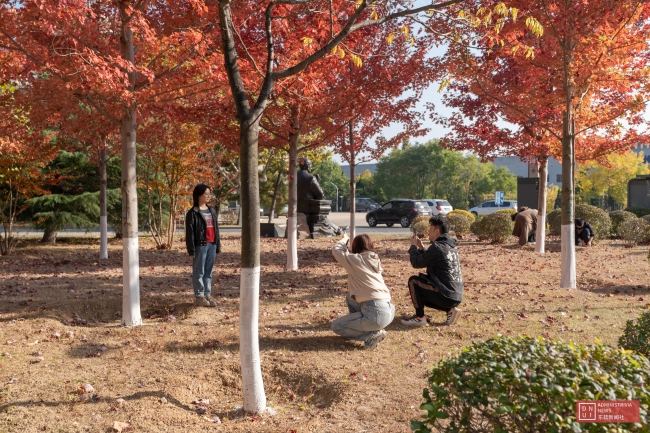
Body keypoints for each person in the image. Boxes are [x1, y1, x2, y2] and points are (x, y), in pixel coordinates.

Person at [331, 232, 395, 349]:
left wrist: (344, 239)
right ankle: (363, 326)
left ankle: (370, 335)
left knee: (336, 326)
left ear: (355, 247)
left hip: (376, 313)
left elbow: (337, 251)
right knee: (350, 297)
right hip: (389, 310)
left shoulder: (357, 260)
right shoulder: (372, 258)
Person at [402, 215, 464, 327]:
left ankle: (420, 317)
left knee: (413, 281)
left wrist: (413, 247)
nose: (428, 231)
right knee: (421, 292)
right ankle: (450, 310)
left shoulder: (438, 246)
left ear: (437, 231)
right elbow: (431, 259)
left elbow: (416, 263)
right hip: (456, 295)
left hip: (446, 294)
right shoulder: (450, 245)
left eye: (430, 229)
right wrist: (421, 248)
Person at [185, 184, 221, 307]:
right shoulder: (193, 213)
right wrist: (191, 250)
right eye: (206, 193)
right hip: (200, 245)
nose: (208, 196)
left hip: (212, 244)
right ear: (199, 195)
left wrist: (218, 246)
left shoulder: (212, 210)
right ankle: (199, 296)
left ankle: (207, 294)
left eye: (209, 193)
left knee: (208, 272)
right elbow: (189, 234)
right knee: (199, 271)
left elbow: (216, 229)